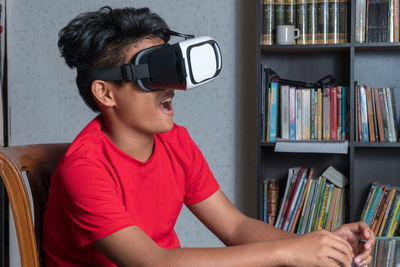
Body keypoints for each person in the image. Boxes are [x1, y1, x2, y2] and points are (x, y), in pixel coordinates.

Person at [42, 6, 375, 267]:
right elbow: (153, 262)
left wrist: (322, 247)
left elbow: (235, 228)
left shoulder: (177, 143)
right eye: (152, 75)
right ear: (105, 93)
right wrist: (288, 253)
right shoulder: (84, 169)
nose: (171, 88)